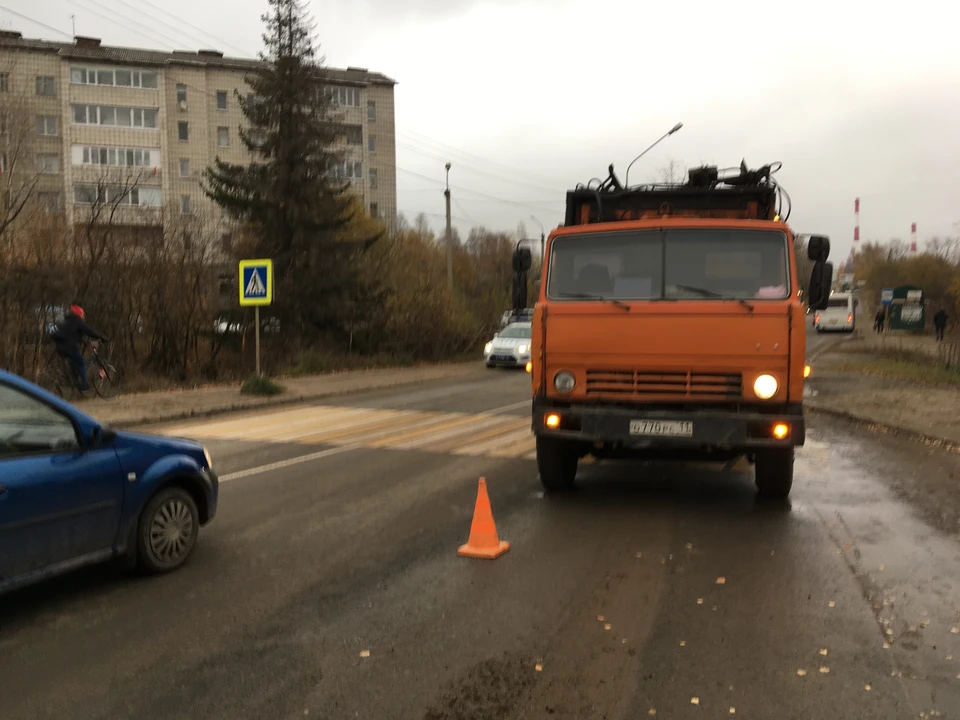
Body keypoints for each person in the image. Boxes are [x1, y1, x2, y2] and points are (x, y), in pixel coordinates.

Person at [52, 304, 108, 392]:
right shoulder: (77, 321)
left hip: (61, 348)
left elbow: (72, 334)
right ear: (79, 314)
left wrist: (83, 340)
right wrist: (101, 337)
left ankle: (74, 380)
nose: (83, 316)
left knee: (76, 363)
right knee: (81, 363)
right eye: (82, 314)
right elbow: (89, 331)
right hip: (69, 347)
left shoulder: (67, 321)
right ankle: (84, 386)